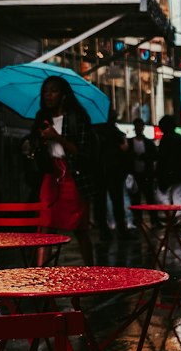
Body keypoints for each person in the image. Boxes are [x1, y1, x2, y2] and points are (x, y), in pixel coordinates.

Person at [27, 74, 98, 264]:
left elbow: (84, 153)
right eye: (45, 92)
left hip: (73, 177)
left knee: (80, 228)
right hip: (51, 176)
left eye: (53, 91)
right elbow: (32, 144)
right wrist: (36, 141)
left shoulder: (77, 117)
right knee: (46, 226)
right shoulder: (42, 117)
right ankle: (42, 276)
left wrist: (57, 137)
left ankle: (91, 271)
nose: (48, 95)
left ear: (64, 95)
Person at [95, 117, 130, 239]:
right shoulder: (113, 131)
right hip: (113, 169)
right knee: (117, 201)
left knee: (100, 202)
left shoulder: (93, 129)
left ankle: (103, 230)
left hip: (98, 170)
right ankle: (121, 229)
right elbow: (124, 147)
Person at [154, 115, 181, 209]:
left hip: (167, 173)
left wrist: (157, 173)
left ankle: (171, 215)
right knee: (178, 196)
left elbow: (161, 158)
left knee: (162, 195)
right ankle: (177, 217)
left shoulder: (165, 140)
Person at [126, 117, 156, 204]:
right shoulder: (130, 142)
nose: (139, 129)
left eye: (140, 126)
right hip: (135, 174)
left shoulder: (149, 143)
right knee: (136, 198)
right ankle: (138, 216)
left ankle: (152, 216)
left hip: (146, 175)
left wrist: (144, 157)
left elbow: (154, 156)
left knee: (149, 198)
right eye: (137, 126)